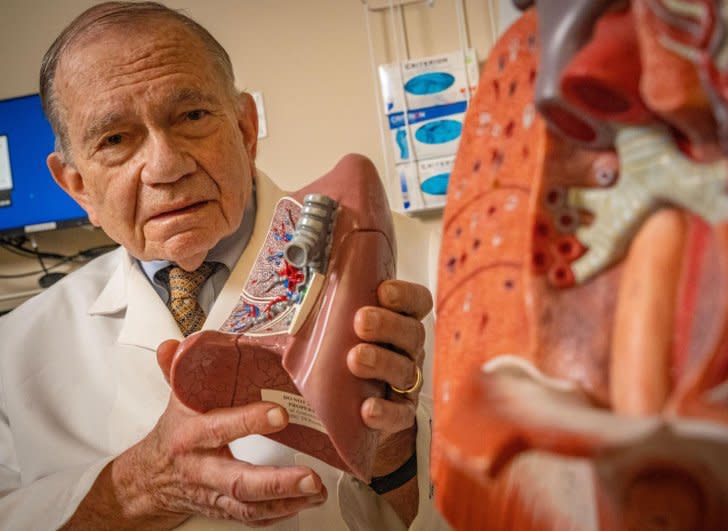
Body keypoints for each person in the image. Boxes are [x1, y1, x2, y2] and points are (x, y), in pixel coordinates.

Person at [0, 2, 448, 529]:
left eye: (190, 117)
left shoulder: (431, 267)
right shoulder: (14, 351)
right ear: (76, 185)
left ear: (245, 128)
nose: (164, 167)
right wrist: (141, 487)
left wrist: (393, 454)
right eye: (115, 139)